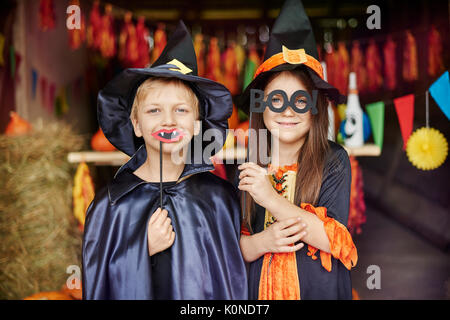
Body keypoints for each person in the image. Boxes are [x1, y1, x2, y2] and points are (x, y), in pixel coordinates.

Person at [82, 21, 247, 300]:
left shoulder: (219, 198)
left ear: (197, 124)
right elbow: (96, 284)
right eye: (154, 110)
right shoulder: (110, 204)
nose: (168, 120)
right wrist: (140, 248)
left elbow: (233, 282)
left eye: (181, 110)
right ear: (136, 124)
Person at [237, 0, 357, 300]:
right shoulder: (248, 162)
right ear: (261, 106)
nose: (287, 111)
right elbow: (233, 247)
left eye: (300, 101)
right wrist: (262, 242)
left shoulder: (334, 161)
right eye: (276, 100)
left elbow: (334, 242)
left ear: (315, 108)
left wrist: (268, 197)